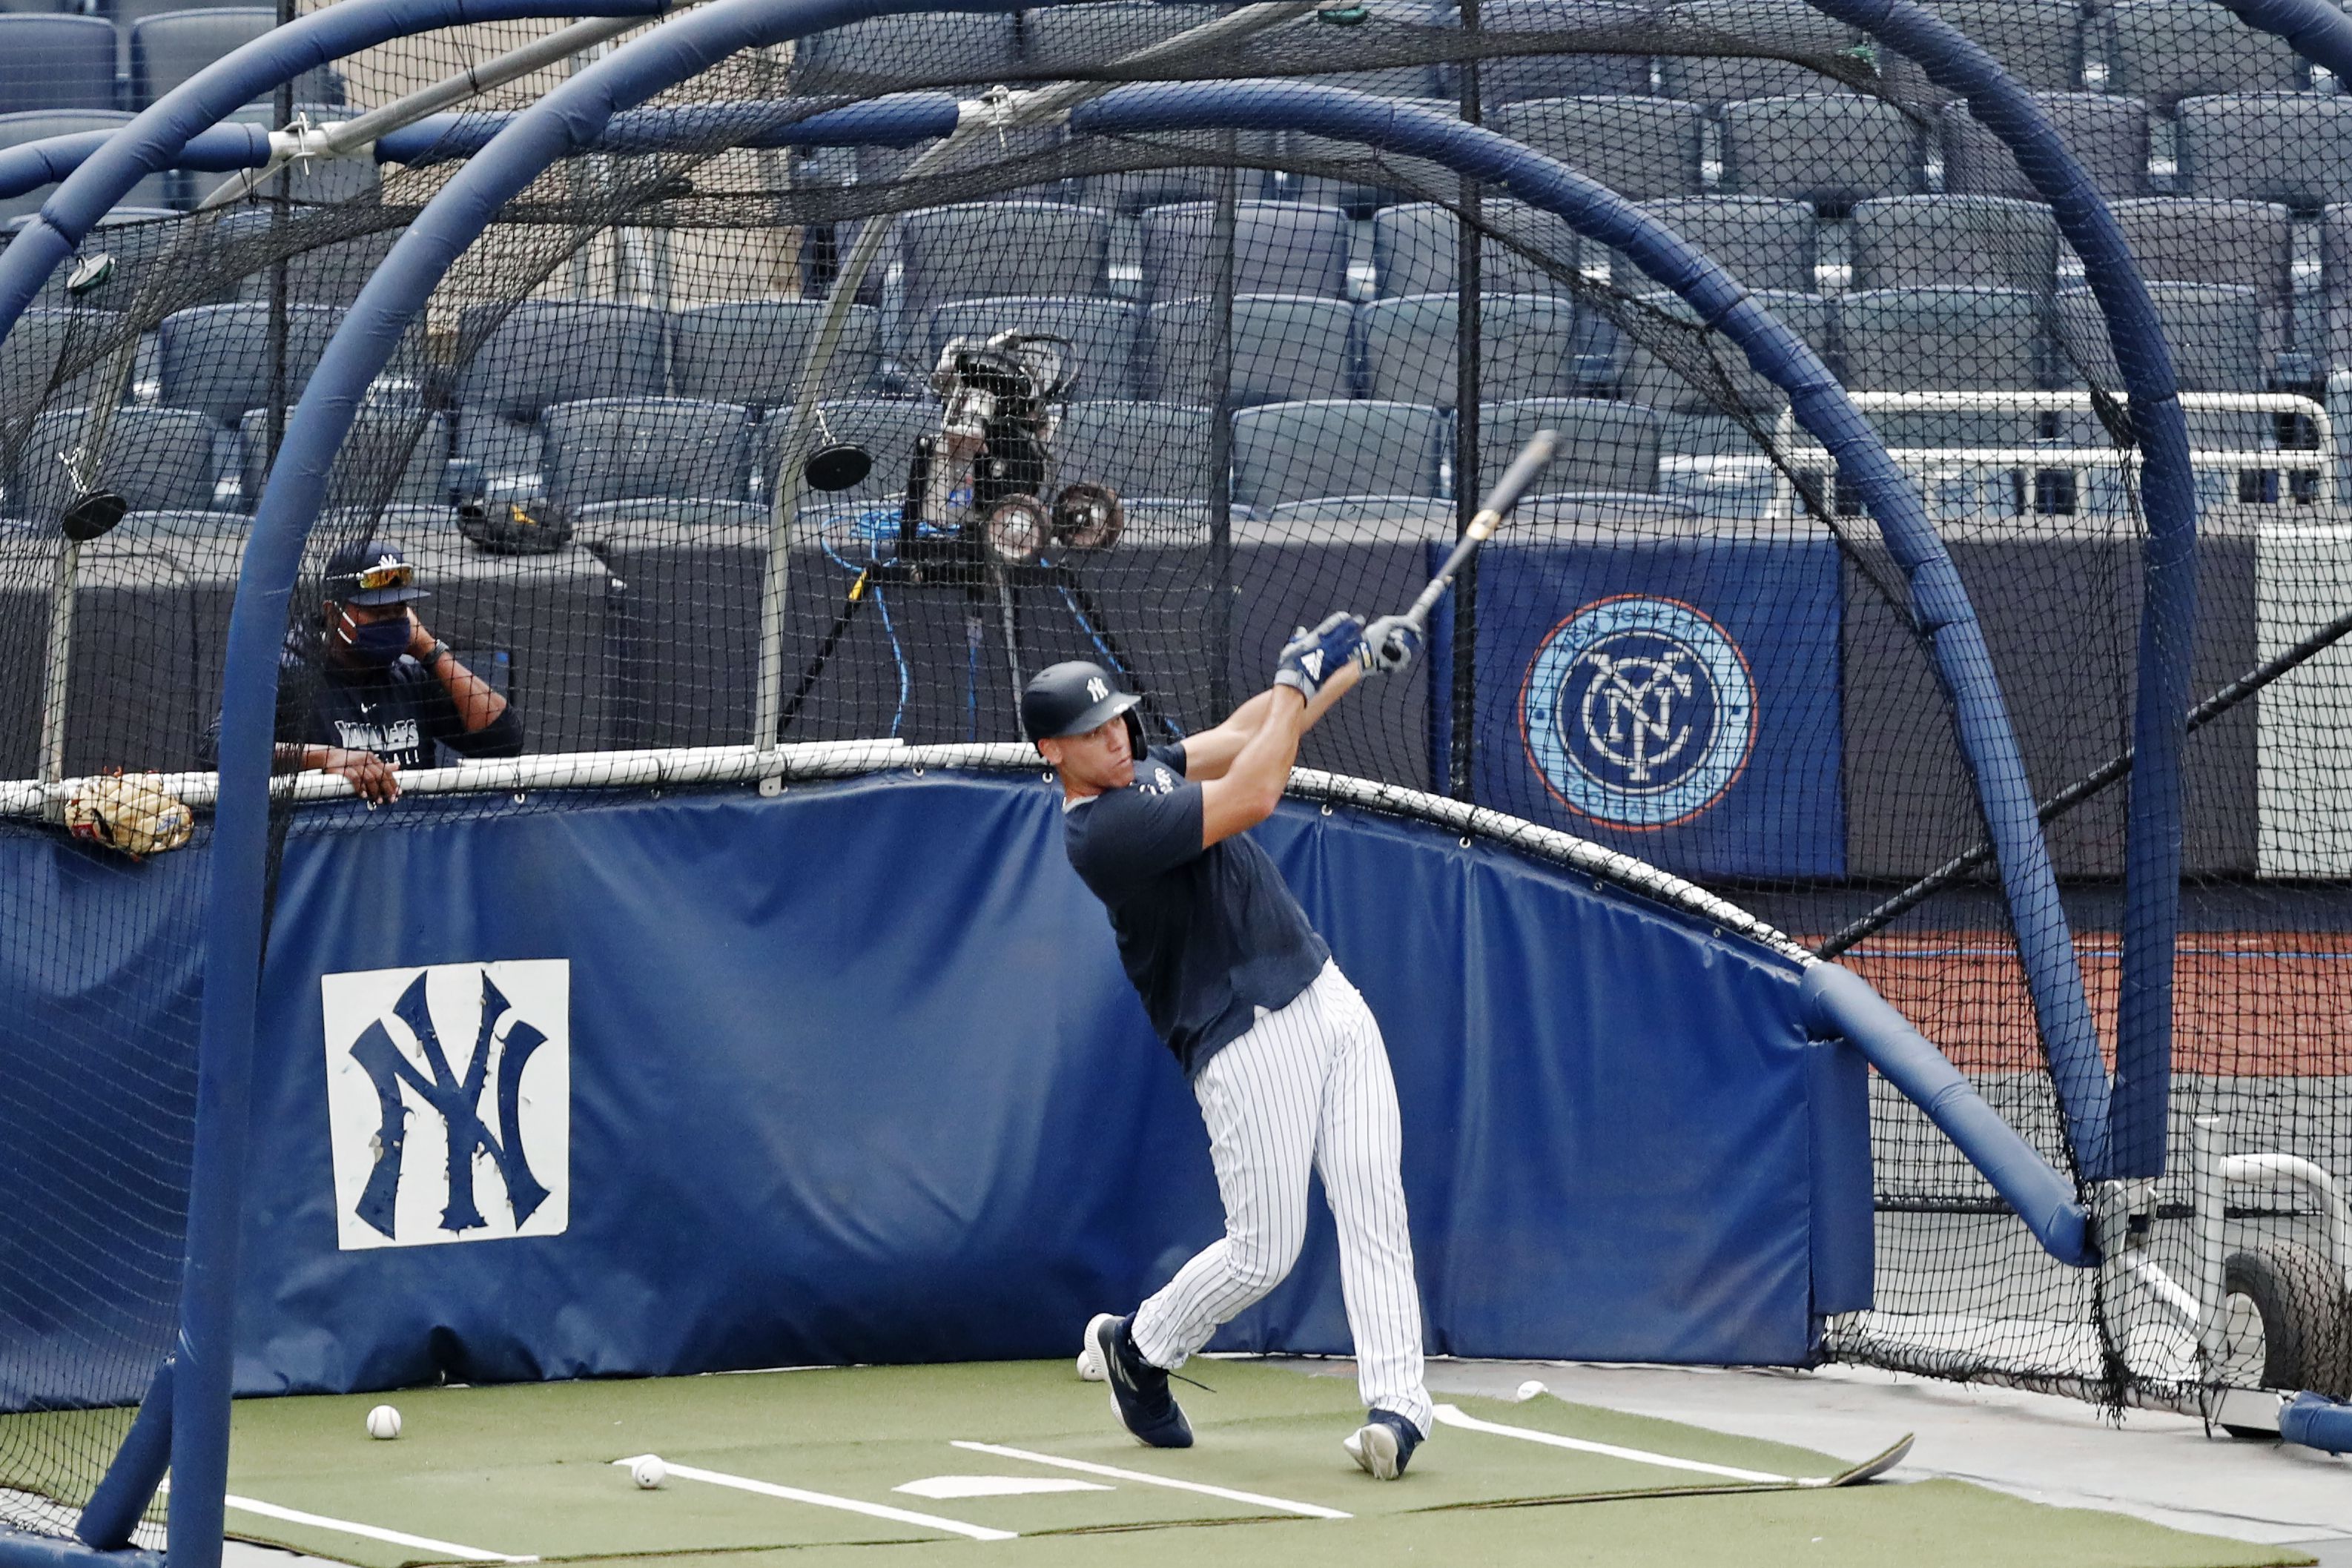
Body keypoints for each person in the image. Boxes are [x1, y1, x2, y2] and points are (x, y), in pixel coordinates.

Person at [1024, 613, 1435, 1481]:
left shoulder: (1146, 769)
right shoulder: (1101, 833)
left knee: (1373, 1202)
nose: (1114, 738)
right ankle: (1141, 1347)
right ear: (1049, 752)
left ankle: (1398, 1409)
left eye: (1117, 721)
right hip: (1243, 1032)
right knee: (1264, 1251)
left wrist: (1344, 667)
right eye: (1090, 734)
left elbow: (1250, 732)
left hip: (1324, 993)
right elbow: (1253, 792)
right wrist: (1294, 681)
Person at [271, 540, 522, 803]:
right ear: (333, 613)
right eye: (377, 612)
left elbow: (504, 740)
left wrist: (430, 650)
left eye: (399, 609)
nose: (391, 620)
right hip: (323, 840)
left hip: (408, 839)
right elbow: (227, 751)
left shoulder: (409, 676)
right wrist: (324, 758)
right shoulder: (286, 672)